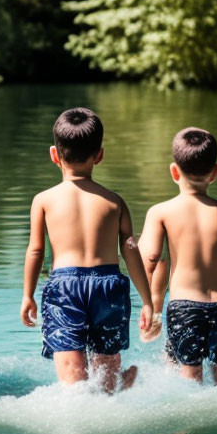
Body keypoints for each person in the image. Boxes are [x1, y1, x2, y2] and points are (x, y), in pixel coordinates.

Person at [20, 107, 152, 392]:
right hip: (108, 285)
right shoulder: (115, 202)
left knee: (73, 384)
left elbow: (35, 251)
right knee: (106, 377)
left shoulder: (43, 200)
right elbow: (131, 250)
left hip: (65, 286)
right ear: (99, 155)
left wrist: (27, 294)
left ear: (54, 155)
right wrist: (148, 300)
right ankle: (120, 383)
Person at [138, 127, 217, 384]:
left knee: (187, 389)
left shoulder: (160, 212)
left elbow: (150, 259)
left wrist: (151, 305)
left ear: (174, 171)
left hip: (185, 310)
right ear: (215, 172)